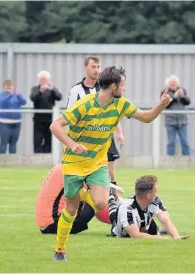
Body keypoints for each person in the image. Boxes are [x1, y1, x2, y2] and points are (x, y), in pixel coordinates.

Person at [49, 66, 171, 261]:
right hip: (74, 162)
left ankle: (84, 192)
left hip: (98, 162)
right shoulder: (85, 104)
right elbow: (55, 126)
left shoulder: (120, 104)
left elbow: (146, 117)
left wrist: (161, 106)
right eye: (123, 85)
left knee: (100, 204)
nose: (125, 88)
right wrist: (72, 145)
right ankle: (60, 249)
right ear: (113, 85)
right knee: (71, 209)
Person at [66, 56, 124, 186]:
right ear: (85, 68)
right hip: (86, 137)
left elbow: (113, 111)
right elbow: (70, 116)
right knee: (86, 173)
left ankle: (112, 201)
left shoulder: (104, 88)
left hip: (104, 133)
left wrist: (119, 132)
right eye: (93, 67)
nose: (96, 70)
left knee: (111, 171)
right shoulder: (76, 91)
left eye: (98, 67)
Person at [108, 175, 190, 240]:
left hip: (142, 223)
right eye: (155, 191)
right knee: (113, 214)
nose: (157, 192)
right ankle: (111, 194)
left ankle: (160, 231)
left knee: (152, 228)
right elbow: (135, 235)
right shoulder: (127, 209)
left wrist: (176, 237)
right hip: (123, 229)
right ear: (148, 195)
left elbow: (166, 221)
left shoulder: (155, 200)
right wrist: (164, 239)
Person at [36, 163, 96, 235]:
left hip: (45, 224)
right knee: (96, 198)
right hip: (54, 223)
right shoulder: (74, 171)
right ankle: (113, 219)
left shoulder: (61, 166)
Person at [30, 71, 62, 153]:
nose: (43, 80)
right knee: (37, 140)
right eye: (41, 79)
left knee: (49, 140)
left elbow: (59, 97)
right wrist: (40, 91)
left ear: (49, 79)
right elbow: (32, 98)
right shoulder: (35, 89)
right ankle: (37, 158)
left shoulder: (52, 89)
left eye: (45, 79)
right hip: (38, 120)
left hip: (50, 120)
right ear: (38, 80)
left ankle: (48, 158)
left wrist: (52, 89)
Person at [162, 75, 191, 156]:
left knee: (185, 142)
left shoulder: (182, 90)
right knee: (170, 142)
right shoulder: (164, 92)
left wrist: (182, 96)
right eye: (171, 84)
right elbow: (165, 105)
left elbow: (188, 102)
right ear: (168, 84)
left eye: (174, 83)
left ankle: (187, 160)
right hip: (170, 121)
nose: (173, 85)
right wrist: (174, 97)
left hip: (182, 121)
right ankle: (169, 161)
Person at [0, 80, 26, 154]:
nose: (9, 88)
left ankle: (12, 161)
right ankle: (1, 160)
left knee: (13, 143)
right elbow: (1, 103)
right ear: (4, 87)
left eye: (11, 87)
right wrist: (10, 95)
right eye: (7, 87)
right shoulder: (1, 95)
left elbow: (24, 102)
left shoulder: (17, 94)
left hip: (16, 122)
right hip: (3, 122)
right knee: (4, 142)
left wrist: (18, 95)